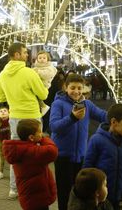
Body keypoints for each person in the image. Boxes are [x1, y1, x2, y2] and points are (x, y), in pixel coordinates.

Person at [0, 42, 49, 199]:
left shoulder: (2, 75)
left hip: (15, 117)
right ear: (17, 55)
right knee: (36, 151)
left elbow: (0, 97)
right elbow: (44, 94)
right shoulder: (29, 73)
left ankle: (14, 189)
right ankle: (35, 187)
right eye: (25, 52)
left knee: (16, 152)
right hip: (32, 116)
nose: (28, 55)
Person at [49, 73, 108, 210]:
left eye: (79, 88)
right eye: (73, 88)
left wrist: (118, 114)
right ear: (65, 87)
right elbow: (54, 127)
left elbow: (102, 115)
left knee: (81, 192)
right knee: (64, 193)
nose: (76, 91)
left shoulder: (87, 104)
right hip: (63, 156)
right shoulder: (58, 104)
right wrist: (72, 117)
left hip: (81, 156)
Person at [83, 104, 122, 210]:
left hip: (121, 195)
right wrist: (89, 192)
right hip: (100, 196)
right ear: (114, 122)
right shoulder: (97, 140)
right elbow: (87, 168)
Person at [2, 119, 58, 210]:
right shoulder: (31, 151)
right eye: (39, 132)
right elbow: (52, 151)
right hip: (37, 198)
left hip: (29, 196)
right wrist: (43, 139)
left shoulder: (19, 149)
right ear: (31, 137)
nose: (41, 134)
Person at [33, 50, 58, 115]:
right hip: (37, 84)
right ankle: (42, 106)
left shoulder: (50, 67)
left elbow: (46, 75)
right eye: (40, 58)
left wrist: (37, 72)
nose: (42, 59)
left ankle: (43, 106)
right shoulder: (36, 67)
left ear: (47, 59)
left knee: (38, 96)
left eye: (44, 58)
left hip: (44, 84)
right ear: (37, 59)